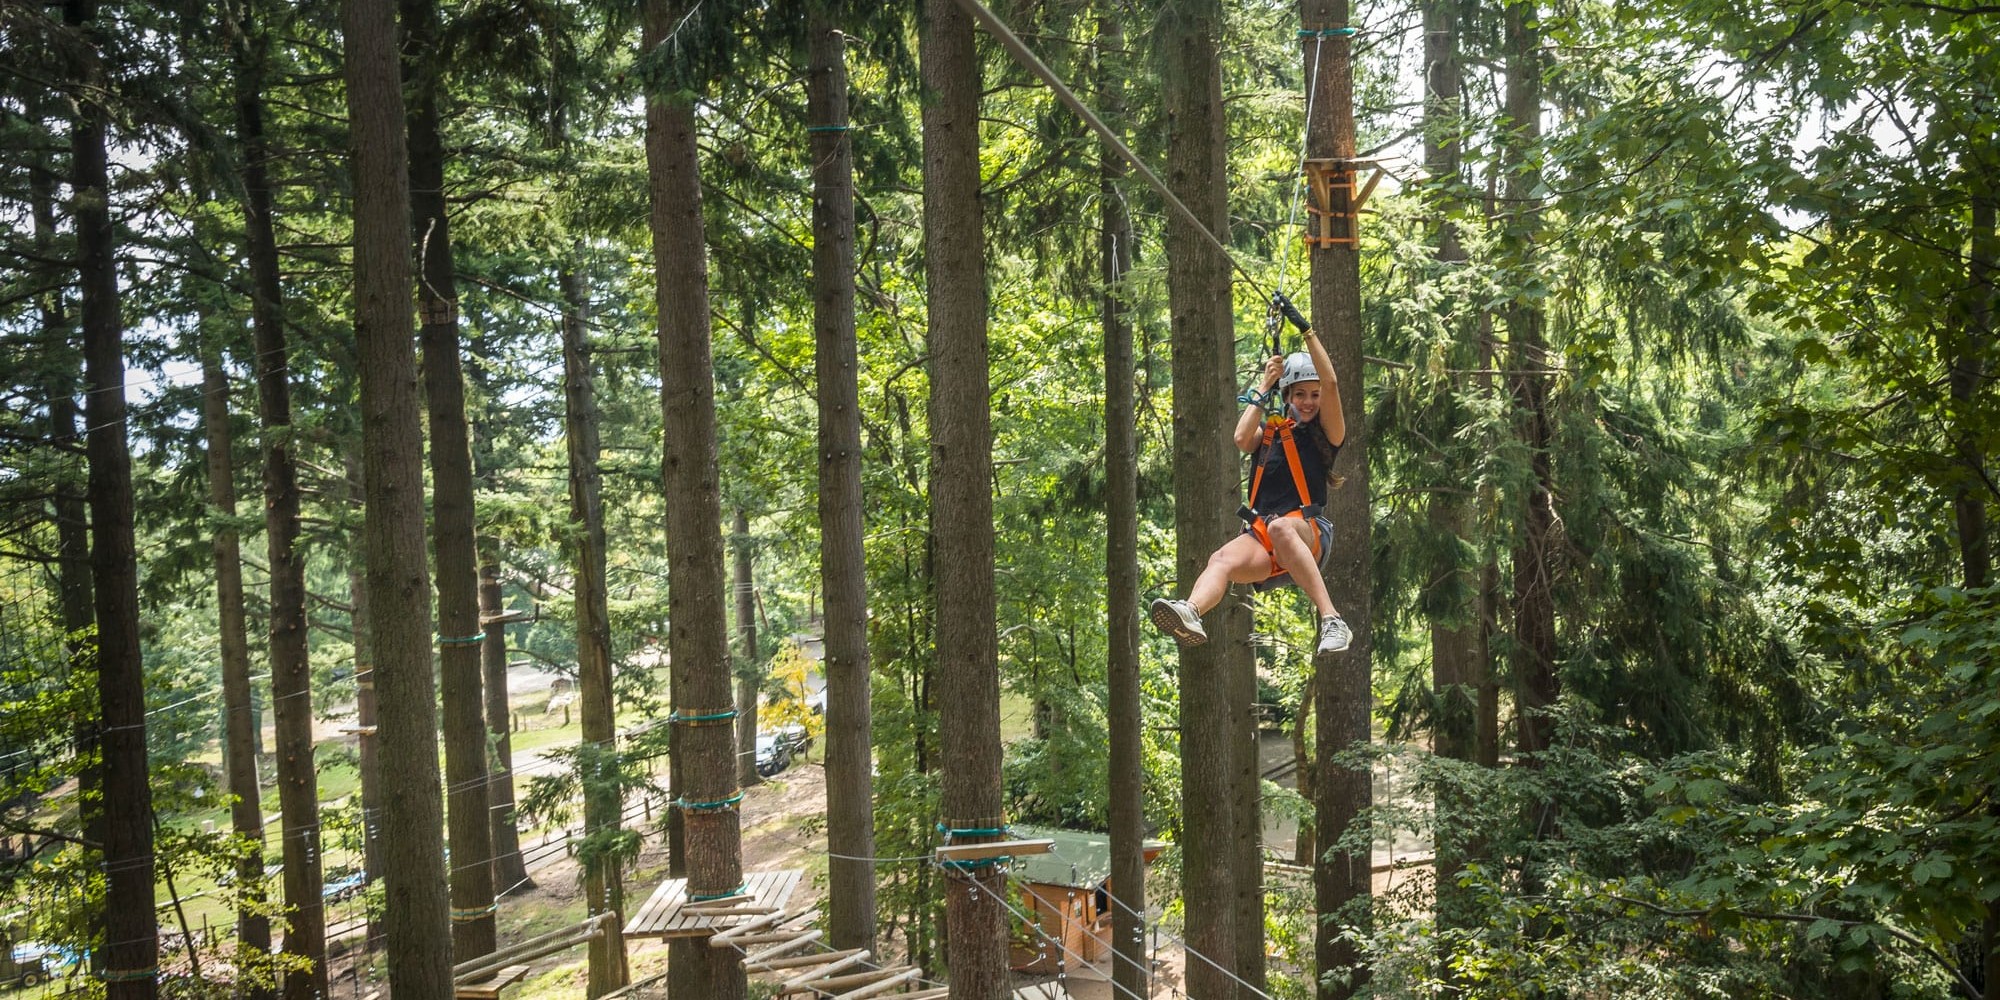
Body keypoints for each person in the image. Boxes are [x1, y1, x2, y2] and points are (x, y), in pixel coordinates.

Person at [1150, 327, 1352, 655]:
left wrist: (1308, 332)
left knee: (1281, 526)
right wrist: (1264, 385)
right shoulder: (1269, 434)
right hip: (1266, 537)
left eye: (1313, 395)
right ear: (1287, 396)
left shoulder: (1327, 436)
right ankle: (1192, 611)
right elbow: (1241, 439)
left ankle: (1332, 620)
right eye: (1300, 394)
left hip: (1308, 532)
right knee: (1221, 559)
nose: (1309, 401)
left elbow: (1330, 384)